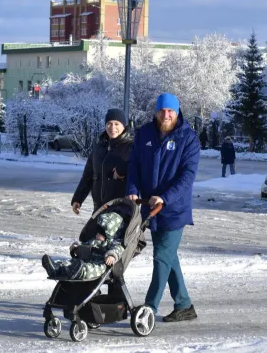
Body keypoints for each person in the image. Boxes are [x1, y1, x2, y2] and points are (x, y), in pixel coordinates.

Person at [125, 92, 200, 322]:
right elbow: (134, 165)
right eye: (162, 110)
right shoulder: (145, 133)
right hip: (150, 207)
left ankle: (149, 308)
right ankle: (184, 305)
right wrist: (132, 188)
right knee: (168, 257)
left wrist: (165, 198)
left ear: (177, 112)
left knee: (161, 257)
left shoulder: (188, 139)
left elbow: (187, 177)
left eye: (170, 111)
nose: (165, 115)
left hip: (174, 210)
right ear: (156, 112)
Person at [71, 108, 133, 214]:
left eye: (116, 124)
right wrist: (78, 198)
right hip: (99, 208)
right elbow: (88, 176)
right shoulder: (99, 147)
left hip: (121, 211)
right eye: (109, 123)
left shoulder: (131, 148)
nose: (112, 127)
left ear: (124, 125)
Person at [42, 212, 126, 280]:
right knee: (70, 262)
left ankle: (79, 272)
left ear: (109, 234)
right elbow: (86, 246)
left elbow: (118, 249)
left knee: (90, 268)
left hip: (100, 263)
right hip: (85, 259)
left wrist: (112, 255)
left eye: (101, 232)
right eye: (98, 231)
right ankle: (56, 268)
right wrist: (76, 248)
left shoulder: (115, 242)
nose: (97, 234)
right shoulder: (94, 240)